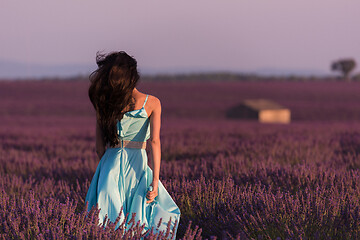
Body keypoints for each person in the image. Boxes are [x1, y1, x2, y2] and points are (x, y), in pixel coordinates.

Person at [85, 51, 181, 238]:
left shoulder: (104, 103)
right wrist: (155, 180)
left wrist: (107, 163)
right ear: (133, 75)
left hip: (109, 164)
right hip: (137, 165)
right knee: (143, 219)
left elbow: (99, 148)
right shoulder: (152, 102)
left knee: (108, 220)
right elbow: (154, 141)